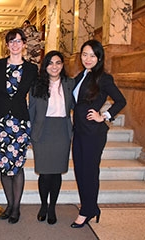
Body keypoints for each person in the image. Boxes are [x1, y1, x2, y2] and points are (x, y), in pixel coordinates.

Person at [71, 39, 126, 228]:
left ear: (99, 57)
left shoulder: (103, 78)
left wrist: (104, 116)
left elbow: (121, 100)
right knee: (80, 171)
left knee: (89, 172)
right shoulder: (81, 75)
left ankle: (87, 210)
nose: (87, 58)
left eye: (92, 55)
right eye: (84, 54)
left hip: (93, 133)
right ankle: (90, 206)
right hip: (79, 131)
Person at [0, 28, 38, 224]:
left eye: (19, 41)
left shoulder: (31, 69)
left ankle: (16, 208)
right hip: (0, 122)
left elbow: (39, 95)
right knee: (3, 166)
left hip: (19, 122)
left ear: (24, 44)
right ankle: (9, 204)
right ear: (7, 44)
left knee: (17, 166)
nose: (15, 44)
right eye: (12, 41)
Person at [29, 51, 75, 225]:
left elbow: (80, 105)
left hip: (62, 131)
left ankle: (52, 207)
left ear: (63, 65)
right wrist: (31, 134)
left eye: (58, 63)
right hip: (42, 131)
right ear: (45, 66)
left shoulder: (70, 83)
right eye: (50, 63)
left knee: (56, 173)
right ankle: (43, 205)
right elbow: (31, 110)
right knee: (45, 173)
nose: (54, 66)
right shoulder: (37, 85)